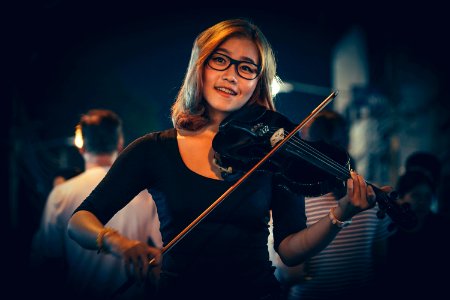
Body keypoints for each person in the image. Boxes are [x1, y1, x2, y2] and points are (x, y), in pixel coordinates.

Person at [67, 19, 386, 300]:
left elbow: (289, 250)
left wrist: (340, 214)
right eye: (220, 60)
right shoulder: (154, 149)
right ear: (200, 67)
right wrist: (117, 243)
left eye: (246, 67)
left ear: (257, 83)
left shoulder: (275, 152)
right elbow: (79, 221)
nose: (232, 75)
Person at [30, 109, 162, 299]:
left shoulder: (60, 194)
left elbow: (46, 254)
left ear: (81, 146)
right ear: (119, 143)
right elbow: (162, 248)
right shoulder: (145, 192)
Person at [268, 110, 393, 300]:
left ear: (311, 146)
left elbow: (292, 274)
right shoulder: (371, 196)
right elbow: (381, 266)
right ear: (348, 143)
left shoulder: (298, 196)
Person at [385, 169, 450, 298]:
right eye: (416, 195)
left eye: (428, 197)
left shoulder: (442, 227)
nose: (423, 202)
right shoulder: (389, 230)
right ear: (401, 198)